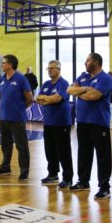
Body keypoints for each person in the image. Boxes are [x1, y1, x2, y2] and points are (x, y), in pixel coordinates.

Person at [67, 53, 112, 199]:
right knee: (84, 153)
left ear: (96, 62)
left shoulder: (105, 79)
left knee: (103, 156)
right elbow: (69, 90)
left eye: (87, 60)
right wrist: (85, 89)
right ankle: (83, 181)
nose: (85, 63)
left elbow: (94, 96)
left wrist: (80, 91)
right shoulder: (82, 77)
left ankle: (104, 187)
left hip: (99, 122)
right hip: (82, 122)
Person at [0, 55, 33, 179]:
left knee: (21, 145)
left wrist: (20, 109)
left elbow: (29, 98)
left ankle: (24, 171)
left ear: (10, 65)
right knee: (5, 144)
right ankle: (5, 167)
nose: (1, 65)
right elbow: (1, 96)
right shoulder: (2, 79)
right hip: (3, 117)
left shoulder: (21, 78)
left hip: (17, 118)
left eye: (3, 63)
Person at [36, 60, 73, 189]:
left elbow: (56, 99)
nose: (49, 70)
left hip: (61, 123)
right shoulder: (46, 84)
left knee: (63, 151)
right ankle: (52, 174)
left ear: (58, 69)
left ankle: (68, 178)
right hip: (48, 122)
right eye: (48, 68)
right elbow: (38, 99)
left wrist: (47, 99)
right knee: (50, 150)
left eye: (51, 68)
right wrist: (48, 99)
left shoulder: (64, 83)